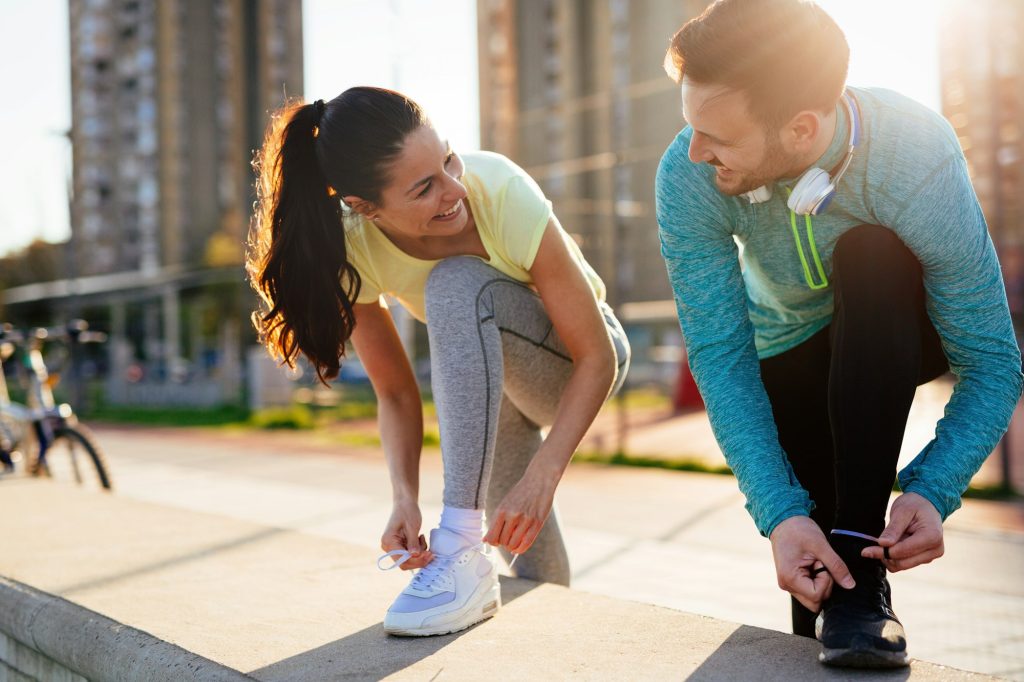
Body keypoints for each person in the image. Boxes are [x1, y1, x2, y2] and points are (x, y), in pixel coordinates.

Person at [655, 0, 1022, 669]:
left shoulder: (915, 154)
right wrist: (778, 512)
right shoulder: (688, 173)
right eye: (691, 128)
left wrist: (933, 489)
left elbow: (994, 362)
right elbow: (721, 358)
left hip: (897, 330)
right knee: (821, 589)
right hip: (786, 352)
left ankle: (858, 546)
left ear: (800, 129)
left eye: (717, 137)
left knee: (872, 253)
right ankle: (850, 597)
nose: (695, 151)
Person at [247, 86, 630, 637]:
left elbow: (595, 356)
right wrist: (403, 497)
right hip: (496, 396)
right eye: (425, 187)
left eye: (448, 158)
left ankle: (457, 542)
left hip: (582, 363)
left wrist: (544, 474)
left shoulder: (499, 189)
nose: (455, 189)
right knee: (535, 570)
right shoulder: (352, 246)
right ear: (364, 208)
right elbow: (397, 393)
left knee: (454, 283)